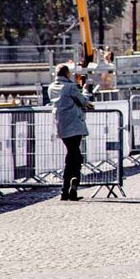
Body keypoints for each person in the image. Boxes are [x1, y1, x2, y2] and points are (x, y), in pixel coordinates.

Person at [48, 64, 92, 201]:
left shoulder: (51, 88)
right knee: (75, 156)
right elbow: (83, 101)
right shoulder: (70, 87)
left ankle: (67, 189)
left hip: (61, 125)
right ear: (67, 73)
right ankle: (70, 186)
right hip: (75, 125)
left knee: (73, 154)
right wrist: (85, 90)